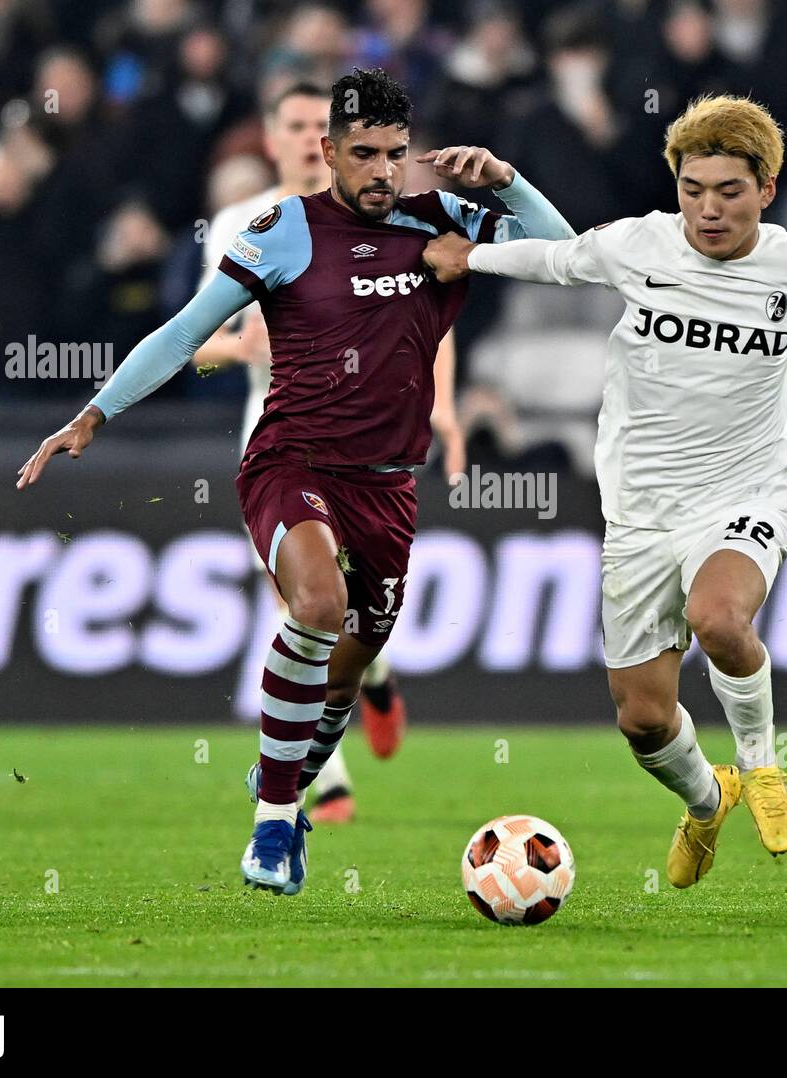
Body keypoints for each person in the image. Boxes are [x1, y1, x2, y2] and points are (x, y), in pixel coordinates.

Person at [423, 93, 787, 885]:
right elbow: (558, 260)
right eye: (693, 190)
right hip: (639, 506)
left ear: (767, 191)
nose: (708, 210)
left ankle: (764, 768)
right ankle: (709, 801)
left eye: (729, 192)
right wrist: (472, 255)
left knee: (720, 618)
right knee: (641, 719)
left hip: (748, 487)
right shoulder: (640, 244)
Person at [16, 68, 574, 896]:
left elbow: (568, 255)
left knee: (344, 674)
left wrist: (507, 184)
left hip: (388, 484)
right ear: (328, 153)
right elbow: (182, 333)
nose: (381, 171)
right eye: (363, 154)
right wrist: (94, 414)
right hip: (291, 463)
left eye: (394, 154)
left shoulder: (441, 216)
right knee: (315, 608)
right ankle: (273, 827)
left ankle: (287, 779)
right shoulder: (284, 230)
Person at [192, 82, 467, 824]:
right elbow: (199, 342)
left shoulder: (393, 216)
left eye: (322, 118)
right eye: (298, 124)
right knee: (304, 602)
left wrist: (443, 409)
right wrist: (237, 346)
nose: (311, 133)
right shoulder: (243, 224)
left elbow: (423, 317)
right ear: (281, 140)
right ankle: (326, 779)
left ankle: (373, 678)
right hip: (283, 425)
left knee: (345, 619)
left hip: (374, 434)